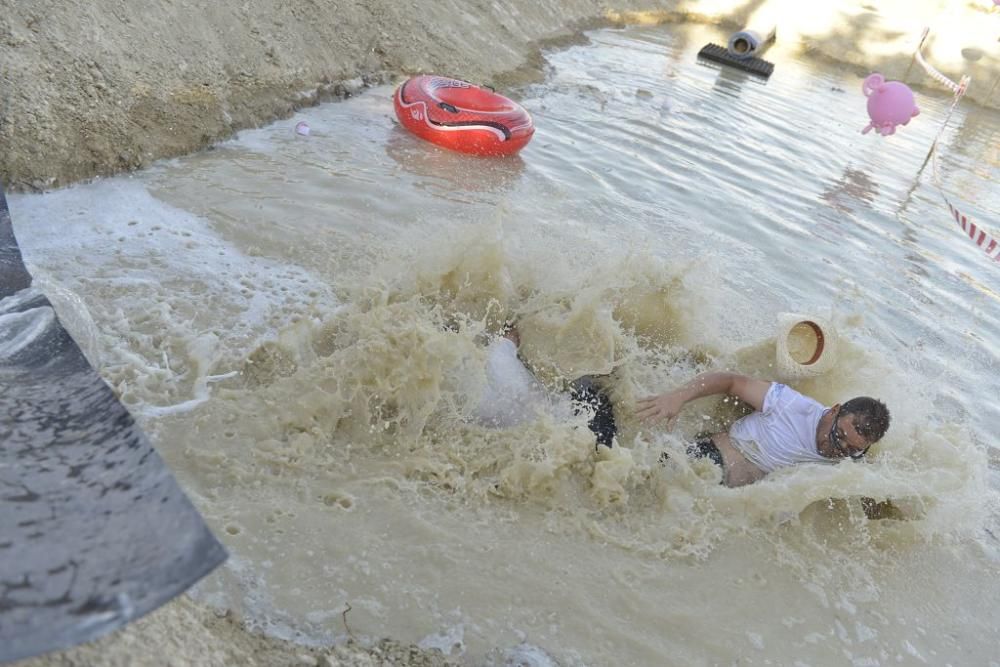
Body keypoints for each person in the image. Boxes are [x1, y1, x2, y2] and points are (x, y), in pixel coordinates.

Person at [636, 371, 890, 487]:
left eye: (851, 449)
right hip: (706, 461)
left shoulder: (850, 459)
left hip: (737, 502)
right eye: (838, 436)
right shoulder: (790, 403)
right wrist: (677, 397)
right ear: (834, 411)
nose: (837, 448)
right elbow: (731, 381)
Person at [470, 324, 617, 448]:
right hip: (577, 416)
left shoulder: (466, 412)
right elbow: (514, 336)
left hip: (553, 442)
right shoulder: (498, 358)